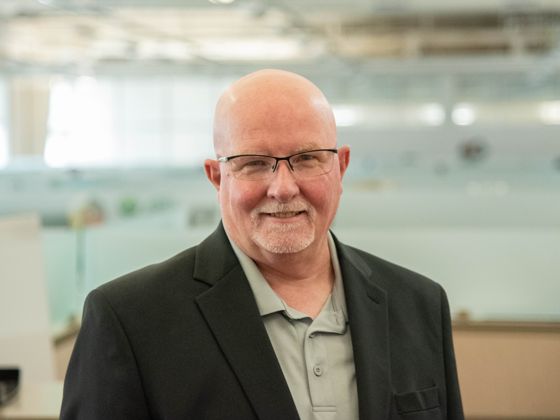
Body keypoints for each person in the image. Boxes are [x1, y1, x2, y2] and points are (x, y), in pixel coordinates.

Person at [61, 69, 464, 420]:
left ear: (340, 167)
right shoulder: (131, 321)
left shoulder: (419, 305)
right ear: (216, 177)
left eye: (307, 159)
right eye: (254, 162)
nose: (284, 188)